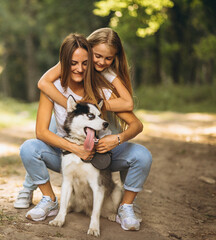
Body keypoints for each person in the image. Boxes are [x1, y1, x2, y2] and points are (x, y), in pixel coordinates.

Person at [14, 30, 152, 231]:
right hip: (68, 154)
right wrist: (73, 110)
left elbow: (135, 121)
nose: (79, 68)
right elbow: (42, 133)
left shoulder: (101, 90)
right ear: (65, 62)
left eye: (85, 63)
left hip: (100, 157)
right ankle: (49, 199)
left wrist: (117, 138)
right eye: (73, 63)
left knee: (142, 156)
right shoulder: (54, 87)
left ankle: (126, 206)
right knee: (30, 148)